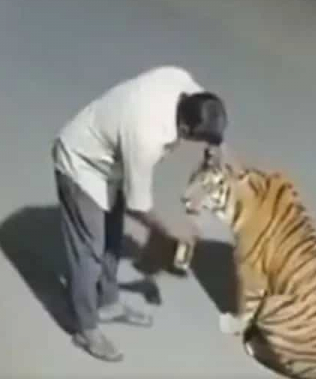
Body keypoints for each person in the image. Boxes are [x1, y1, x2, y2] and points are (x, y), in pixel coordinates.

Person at [52, 66, 227, 362]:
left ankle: (108, 303)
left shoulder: (181, 82)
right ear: (184, 130)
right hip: (81, 163)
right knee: (89, 252)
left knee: (112, 238)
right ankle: (86, 329)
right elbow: (139, 206)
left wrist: (215, 146)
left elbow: (208, 110)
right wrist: (171, 229)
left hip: (112, 162)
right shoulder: (146, 135)